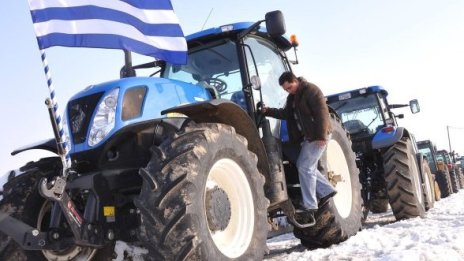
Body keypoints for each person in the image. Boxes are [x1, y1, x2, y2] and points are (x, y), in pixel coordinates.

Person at [262, 71, 337, 220]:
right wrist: (268, 111)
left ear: (295, 81)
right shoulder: (292, 98)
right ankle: (327, 190)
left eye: (289, 87)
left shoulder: (311, 90)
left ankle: (310, 205)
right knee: (306, 166)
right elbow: (286, 114)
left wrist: (321, 135)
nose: (288, 91)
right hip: (307, 138)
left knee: (305, 166)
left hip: (317, 136)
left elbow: (322, 112)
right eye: (285, 89)